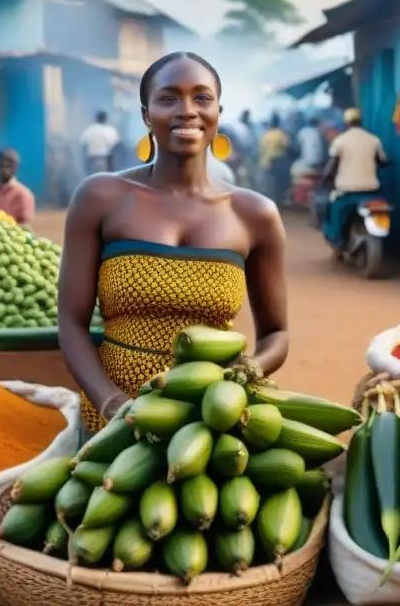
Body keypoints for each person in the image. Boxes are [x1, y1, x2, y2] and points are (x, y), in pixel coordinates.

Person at [57, 51, 288, 442]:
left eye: (201, 98)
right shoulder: (101, 196)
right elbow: (71, 322)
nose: (187, 111)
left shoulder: (254, 214)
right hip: (116, 419)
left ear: (218, 110)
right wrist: (111, 404)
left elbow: (277, 334)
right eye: (169, 98)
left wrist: (240, 377)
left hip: (213, 419)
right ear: (147, 115)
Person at [319, 108, 389, 246]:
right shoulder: (373, 140)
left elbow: (332, 166)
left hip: (346, 193)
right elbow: (382, 161)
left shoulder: (340, 141)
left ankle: (337, 243)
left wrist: (324, 179)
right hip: (371, 192)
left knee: (334, 212)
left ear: (346, 123)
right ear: (361, 122)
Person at [0, 148, 36, 225]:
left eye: (8, 166)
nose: (4, 170)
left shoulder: (23, 194)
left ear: (16, 167)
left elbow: (25, 224)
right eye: (1, 165)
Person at [258, 113, 292, 204]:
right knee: (278, 185)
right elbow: (288, 147)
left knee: (268, 185)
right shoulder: (282, 134)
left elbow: (261, 149)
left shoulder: (265, 134)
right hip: (278, 163)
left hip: (265, 163)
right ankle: (277, 202)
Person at [290, 115, 326, 181]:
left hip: (305, 161)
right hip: (318, 162)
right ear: (317, 124)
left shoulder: (302, 132)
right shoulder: (319, 132)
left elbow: (298, 148)